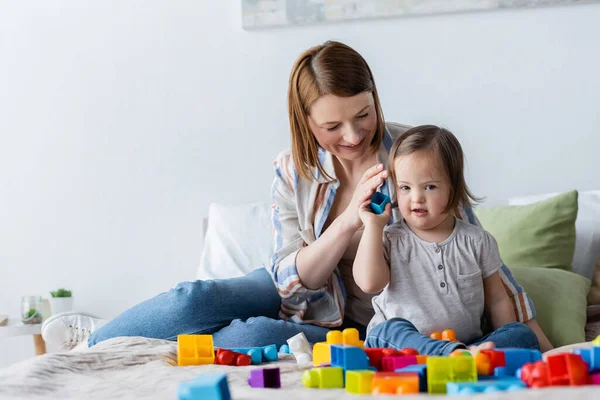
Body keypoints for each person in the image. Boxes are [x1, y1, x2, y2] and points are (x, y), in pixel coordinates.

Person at [41, 41, 553, 353]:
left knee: (250, 338)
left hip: (357, 324)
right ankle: (95, 343)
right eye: (333, 125)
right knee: (195, 299)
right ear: (306, 122)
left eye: (364, 115)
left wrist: (543, 342)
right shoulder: (293, 170)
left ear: (375, 99)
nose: (353, 136)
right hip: (303, 288)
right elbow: (291, 282)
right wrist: (352, 221)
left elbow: (480, 257)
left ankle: (160, 341)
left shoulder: (417, 155)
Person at [355, 125, 540, 355]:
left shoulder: (477, 241)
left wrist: (506, 335)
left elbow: (497, 301)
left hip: (468, 344)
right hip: (404, 349)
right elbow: (369, 283)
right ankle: (449, 354)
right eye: (405, 188)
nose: (416, 198)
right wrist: (373, 226)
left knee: (522, 335)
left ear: (454, 189)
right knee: (383, 331)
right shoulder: (391, 238)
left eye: (429, 187)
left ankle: (465, 355)